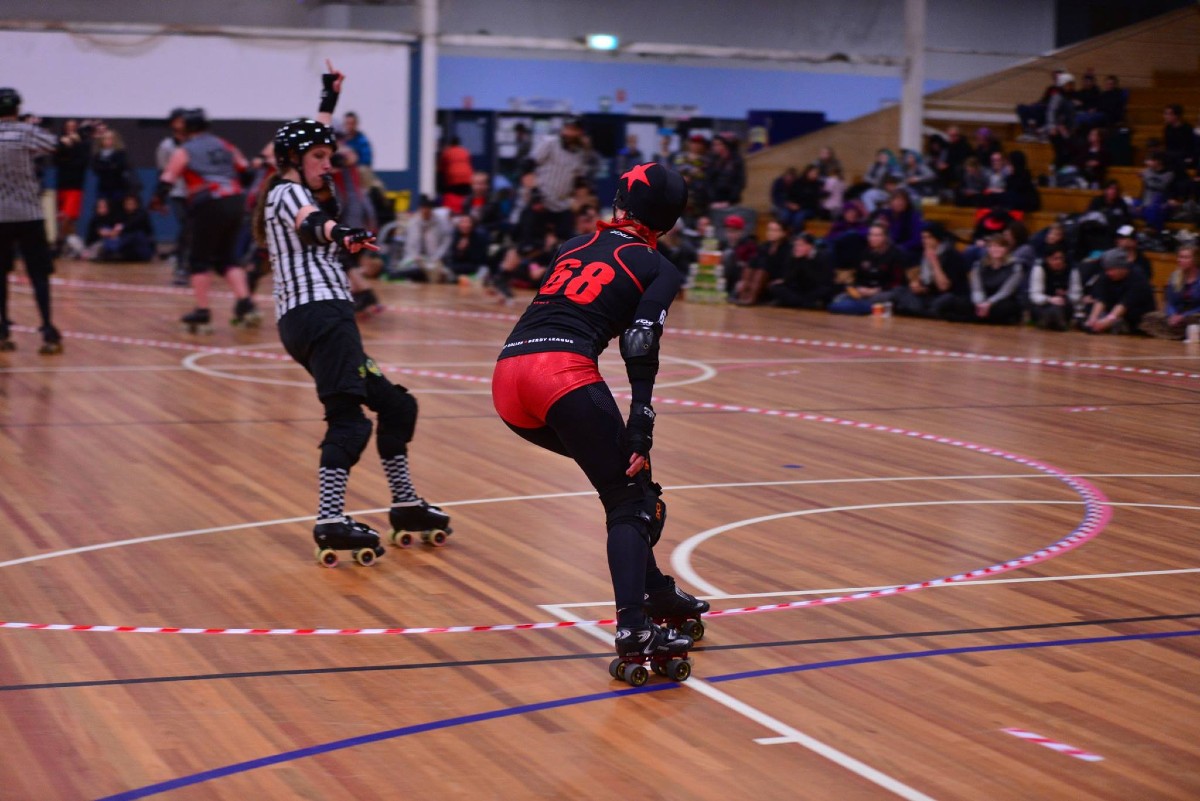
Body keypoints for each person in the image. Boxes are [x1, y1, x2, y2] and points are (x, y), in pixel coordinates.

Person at [491, 161, 706, 672]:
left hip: (508, 379)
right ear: (669, 219)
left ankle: (655, 591)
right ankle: (634, 624)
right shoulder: (658, 266)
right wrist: (642, 420)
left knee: (628, 483)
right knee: (631, 499)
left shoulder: (571, 247)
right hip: (559, 375)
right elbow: (640, 340)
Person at [253, 64, 450, 563]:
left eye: (329, 155)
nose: (328, 162)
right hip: (319, 316)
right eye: (318, 157)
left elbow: (311, 149)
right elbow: (311, 220)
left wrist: (327, 98)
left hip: (319, 319)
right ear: (293, 161)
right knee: (350, 423)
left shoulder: (297, 177)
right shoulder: (285, 191)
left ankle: (405, 504)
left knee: (396, 405)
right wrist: (342, 234)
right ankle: (330, 518)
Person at [152, 108, 260, 331]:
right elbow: (247, 172)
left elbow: (168, 178)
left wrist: (157, 201)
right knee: (227, 257)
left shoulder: (185, 149)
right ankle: (245, 304)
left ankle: (202, 311)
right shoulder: (224, 144)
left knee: (198, 259)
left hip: (209, 201)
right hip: (235, 200)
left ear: (188, 129)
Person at [0, 87, 62, 353]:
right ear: (17, 108)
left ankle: (2, 330)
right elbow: (56, 147)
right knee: (39, 275)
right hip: (29, 214)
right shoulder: (26, 132)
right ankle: (48, 329)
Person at [938, 234, 1024, 325]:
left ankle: (970, 318)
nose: (996, 249)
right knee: (950, 302)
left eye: (1000, 246)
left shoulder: (1015, 266)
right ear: (988, 249)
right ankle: (980, 317)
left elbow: (1006, 291)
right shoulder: (979, 265)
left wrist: (989, 303)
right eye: (993, 246)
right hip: (981, 299)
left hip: (1000, 301)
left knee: (1006, 309)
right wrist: (980, 304)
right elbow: (977, 288)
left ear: (1006, 249)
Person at [531, 116, 591, 240]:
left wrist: (582, 205)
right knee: (535, 243)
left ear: (580, 132)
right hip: (541, 201)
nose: (568, 133)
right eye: (566, 128)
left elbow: (580, 182)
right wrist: (534, 193)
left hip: (563, 205)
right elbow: (528, 166)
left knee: (565, 244)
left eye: (573, 129)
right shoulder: (550, 143)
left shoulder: (581, 154)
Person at [892, 221, 968, 318]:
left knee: (944, 301)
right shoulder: (924, 253)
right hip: (931, 295)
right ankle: (922, 311)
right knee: (899, 291)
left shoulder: (952, 255)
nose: (925, 241)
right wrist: (917, 286)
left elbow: (944, 287)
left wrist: (934, 261)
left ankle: (923, 311)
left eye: (929, 237)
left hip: (951, 295)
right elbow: (926, 282)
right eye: (923, 237)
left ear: (938, 238)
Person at [1081, 248, 1155, 334]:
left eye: (1112, 269)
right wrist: (1092, 318)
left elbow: (1125, 303)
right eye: (1107, 270)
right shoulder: (1105, 276)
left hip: (1135, 314)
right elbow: (1101, 299)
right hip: (1114, 310)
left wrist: (1108, 321)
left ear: (1122, 267)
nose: (1109, 273)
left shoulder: (1138, 277)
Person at [156, 108, 191, 285]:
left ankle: (187, 263)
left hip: (195, 192)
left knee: (193, 229)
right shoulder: (166, 146)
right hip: (177, 192)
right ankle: (181, 265)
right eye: (178, 121)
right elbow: (164, 173)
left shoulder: (194, 143)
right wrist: (160, 199)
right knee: (186, 226)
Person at [1139, 243, 1199, 339]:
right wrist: (1172, 315)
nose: (1181, 260)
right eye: (1180, 257)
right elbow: (1170, 302)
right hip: (1177, 315)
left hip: (1194, 314)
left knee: (1195, 321)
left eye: (1186, 257)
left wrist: (1184, 316)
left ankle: (1180, 333)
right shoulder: (1174, 277)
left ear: (1195, 260)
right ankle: (1180, 333)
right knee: (1149, 318)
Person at [765, 232, 834, 309]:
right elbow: (789, 277)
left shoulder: (823, 256)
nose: (796, 248)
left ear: (810, 246)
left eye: (800, 245)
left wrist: (805, 262)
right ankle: (805, 304)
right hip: (799, 288)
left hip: (815, 288)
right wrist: (784, 280)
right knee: (775, 287)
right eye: (795, 245)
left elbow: (824, 280)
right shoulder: (794, 255)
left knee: (826, 291)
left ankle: (791, 302)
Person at [1026, 244, 1083, 331]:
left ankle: (1051, 320)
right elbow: (1034, 295)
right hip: (1044, 304)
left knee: (1059, 308)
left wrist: (1066, 296)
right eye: (1054, 259)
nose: (1058, 261)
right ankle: (1055, 320)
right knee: (1046, 309)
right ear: (1047, 259)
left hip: (1064, 304)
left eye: (1061, 258)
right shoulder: (1040, 269)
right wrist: (1050, 299)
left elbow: (1077, 295)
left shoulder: (1072, 270)